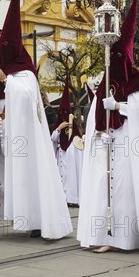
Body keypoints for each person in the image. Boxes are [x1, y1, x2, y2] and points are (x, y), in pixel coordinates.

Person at [0, 0, 72, 242]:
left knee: (26, 175)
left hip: (19, 133)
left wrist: (6, 79)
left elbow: (28, 96)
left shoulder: (24, 70)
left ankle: (36, 220)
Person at [77, 0, 139, 254]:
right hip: (107, 145)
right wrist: (99, 133)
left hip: (128, 146)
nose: (116, 61)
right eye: (114, 57)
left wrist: (119, 107)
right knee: (103, 190)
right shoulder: (105, 81)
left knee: (125, 189)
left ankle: (127, 238)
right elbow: (93, 118)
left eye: (120, 57)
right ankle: (104, 236)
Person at [50, 78, 83, 206]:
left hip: (69, 155)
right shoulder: (57, 125)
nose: (64, 115)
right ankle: (61, 198)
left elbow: (77, 141)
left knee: (70, 176)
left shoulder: (73, 126)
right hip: (60, 155)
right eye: (62, 112)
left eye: (66, 112)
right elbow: (53, 138)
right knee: (60, 176)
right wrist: (59, 128)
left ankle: (72, 198)